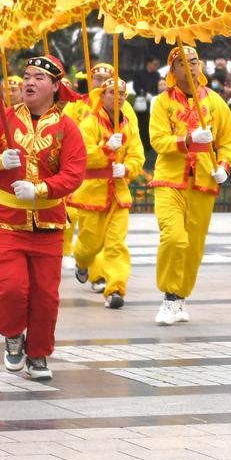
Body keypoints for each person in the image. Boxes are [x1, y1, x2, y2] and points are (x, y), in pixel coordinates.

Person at [0, 54, 87, 381]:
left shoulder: (67, 128)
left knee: (46, 296)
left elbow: (75, 173)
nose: (29, 82)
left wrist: (43, 190)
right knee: (12, 289)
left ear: (56, 86)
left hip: (48, 224)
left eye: (39, 78)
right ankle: (12, 333)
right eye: (27, 76)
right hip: (5, 222)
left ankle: (39, 354)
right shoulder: (2, 119)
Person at [148, 45, 231, 325]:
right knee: (174, 237)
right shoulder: (163, 103)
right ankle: (169, 296)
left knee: (194, 246)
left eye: (195, 61)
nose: (191, 66)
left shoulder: (215, 102)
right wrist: (186, 140)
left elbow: (228, 140)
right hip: (170, 179)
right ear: (173, 71)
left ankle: (180, 296)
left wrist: (224, 165)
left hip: (203, 180)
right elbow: (158, 140)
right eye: (183, 63)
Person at [68, 73, 147, 309]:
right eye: (113, 92)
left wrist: (128, 167)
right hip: (93, 192)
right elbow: (80, 155)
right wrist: (104, 148)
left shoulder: (129, 126)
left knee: (116, 244)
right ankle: (81, 262)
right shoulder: (89, 124)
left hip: (118, 194)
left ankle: (115, 289)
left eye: (122, 93)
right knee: (89, 246)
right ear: (102, 96)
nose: (119, 97)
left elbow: (137, 154)